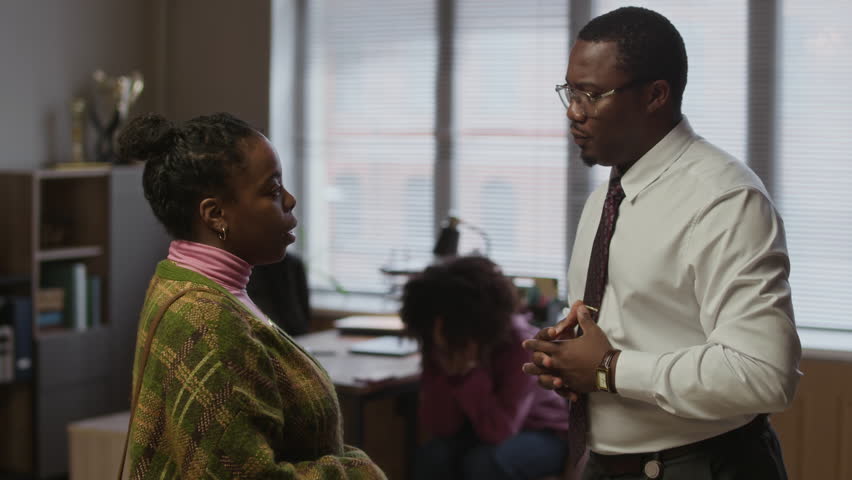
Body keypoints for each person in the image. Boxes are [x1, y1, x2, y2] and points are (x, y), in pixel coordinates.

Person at [521, 7, 801, 480]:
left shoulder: (724, 198)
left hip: (703, 465)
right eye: (570, 91)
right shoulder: (602, 204)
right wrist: (572, 363)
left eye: (591, 94)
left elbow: (765, 373)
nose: (573, 111)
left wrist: (609, 369)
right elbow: (633, 332)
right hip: (609, 465)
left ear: (655, 96)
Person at [117, 112, 386, 479]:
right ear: (215, 214)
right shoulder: (208, 321)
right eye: (272, 190)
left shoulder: (186, 282)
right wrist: (356, 471)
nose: (289, 200)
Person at [400, 255, 570, 480]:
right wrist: (451, 371)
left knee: (484, 463)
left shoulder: (520, 345)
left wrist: (469, 374)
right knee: (432, 456)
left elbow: (500, 430)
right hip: (478, 430)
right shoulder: (438, 341)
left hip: (544, 431)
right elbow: (440, 427)